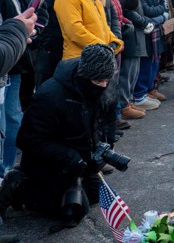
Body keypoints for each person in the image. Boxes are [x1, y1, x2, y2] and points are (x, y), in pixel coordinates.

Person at [0, 44, 119, 227]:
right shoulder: (51, 94)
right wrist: (68, 156)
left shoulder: (107, 86)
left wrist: (105, 147)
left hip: (81, 158)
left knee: (99, 195)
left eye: (107, 80)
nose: (103, 86)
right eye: (98, 81)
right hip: (50, 162)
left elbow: (109, 119)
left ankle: (65, 186)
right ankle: (19, 185)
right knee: (75, 211)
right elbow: (27, 140)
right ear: (84, 75)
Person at [0, 0, 32, 178]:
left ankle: (8, 168)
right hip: (5, 65)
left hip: (18, 63)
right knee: (7, 121)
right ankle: (4, 170)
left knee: (13, 120)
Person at [133, 0, 169, 103]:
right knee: (146, 63)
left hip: (156, 30)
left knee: (155, 60)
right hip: (146, 31)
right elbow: (147, 10)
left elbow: (162, 5)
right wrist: (161, 16)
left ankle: (151, 88)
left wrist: (158, 14)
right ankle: (142, 92)